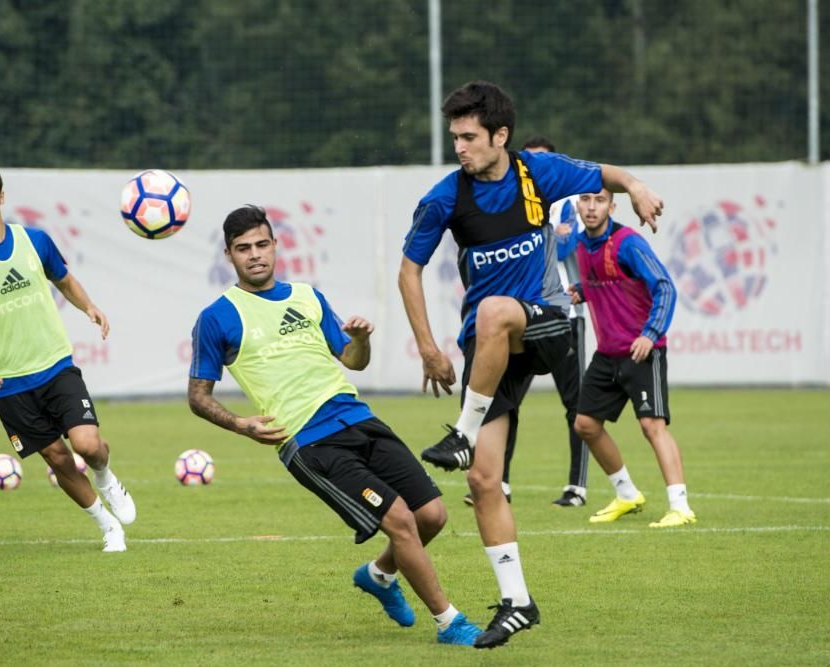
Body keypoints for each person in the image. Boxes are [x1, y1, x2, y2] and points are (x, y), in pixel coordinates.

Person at [398, 81, 664, 649]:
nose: (460, 148)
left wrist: (637, 188)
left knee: (496, 310)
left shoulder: (537, 173)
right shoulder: (446, 197)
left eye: (469, 137)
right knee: (483, 479)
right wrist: (427, 345)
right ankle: (518, 601)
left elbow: (609, 175)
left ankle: (461, 431)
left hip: (545, 325)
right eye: (454, 138)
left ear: (501, 136)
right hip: (491, 348)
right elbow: (408, 271)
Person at [187, 205, 481, 646]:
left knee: (432, 516)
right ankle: (449, 622)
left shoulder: (307, 296)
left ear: (275, 245)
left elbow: (352, 361)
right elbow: (198, 396)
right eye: (243, 248)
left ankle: (379, 576)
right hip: (308, 441)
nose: (255, 255)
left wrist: (360, 339)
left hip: (359, 418)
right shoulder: (218, 317)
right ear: (228, 255)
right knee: (400, 520)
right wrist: (241, 425)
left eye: (262, 244)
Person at [0, 161, 136, 553]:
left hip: (55, 365)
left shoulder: (36, 241)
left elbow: (63, 279)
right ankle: (107, 526)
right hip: (9, 383)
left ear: (2, 195)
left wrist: (89, 307)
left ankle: (105, 477)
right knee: (57, 459)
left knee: (87, 445)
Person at [461, 135, 590, 509]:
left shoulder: (566, 205)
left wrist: (547, 228)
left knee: (575, 403)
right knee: (506, 402)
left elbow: (567, 248)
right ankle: (498, 481)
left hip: (562, 315)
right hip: (517, 317)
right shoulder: (507, 203)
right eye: (529, 160)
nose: (533, 168)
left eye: (542, 161)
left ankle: (576, 487)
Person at [570, 188, 696, 528]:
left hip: (642, 350)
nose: (591, 207)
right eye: (585, 200)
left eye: (599, 201)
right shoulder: (581, 244)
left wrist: (650, 334)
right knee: (585, 425)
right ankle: (626, 494)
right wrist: (581, 291)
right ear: (577, 205)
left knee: (652, 426)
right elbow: (604, 281)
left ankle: (680, 507)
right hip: (607, 353)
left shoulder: (628, 242)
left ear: (612, 206)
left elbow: (664, 286)